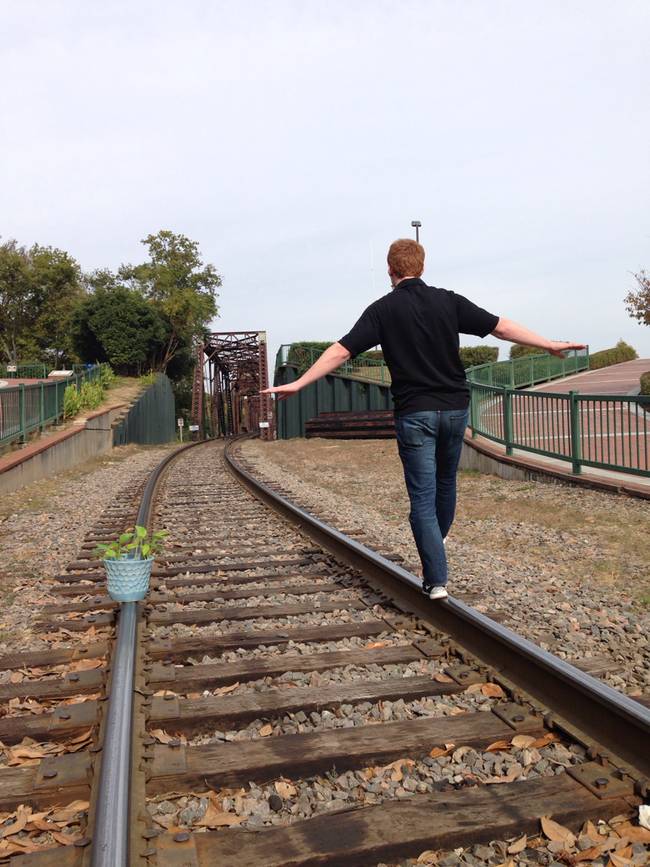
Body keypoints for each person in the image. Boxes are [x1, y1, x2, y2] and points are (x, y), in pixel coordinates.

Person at [262, 239, 585, 600]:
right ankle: (436, 541)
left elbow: (341, 351)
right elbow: (502, 327)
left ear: (390, 270)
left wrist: (301, 382)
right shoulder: (448, 300)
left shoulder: (381, 310)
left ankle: (436, 580)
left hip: (416, 414)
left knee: (421, 498)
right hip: (455, 409)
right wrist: (549, 344)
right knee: (446, 482)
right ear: (422, 267)